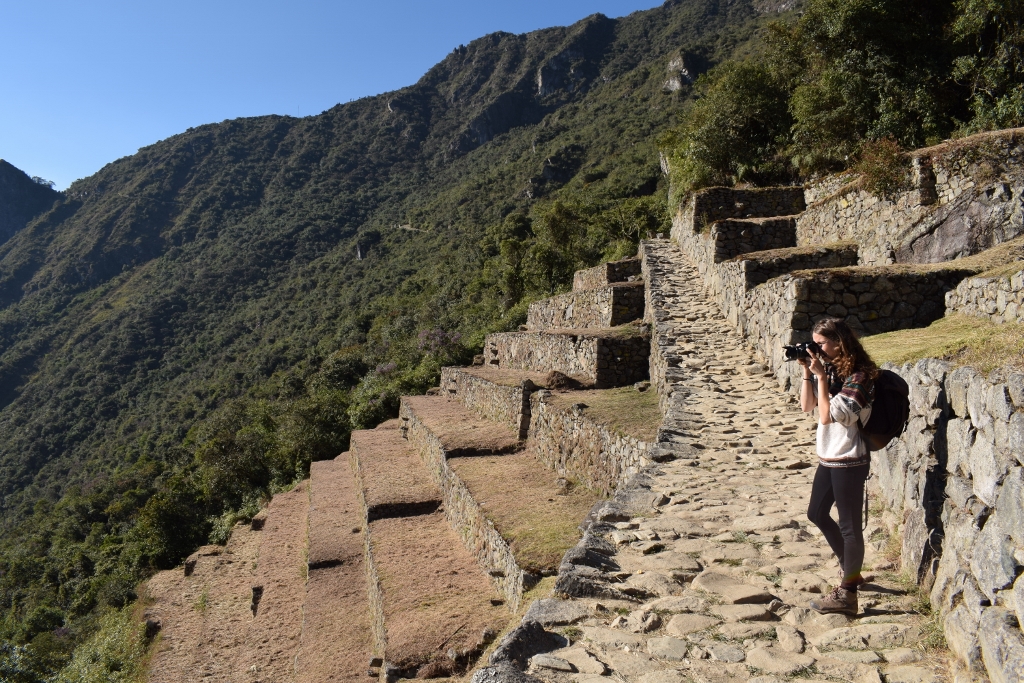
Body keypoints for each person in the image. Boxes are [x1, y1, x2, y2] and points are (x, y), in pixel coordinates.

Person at [798, 317, 879, 615]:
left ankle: (848, 594)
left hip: (849, 458)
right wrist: (809, 373)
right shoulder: (832, 370)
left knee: (849, 526)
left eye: (820, 343)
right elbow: (808, 407)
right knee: (816, 512)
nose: (816, 348)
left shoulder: (860, 376)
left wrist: (821, 379)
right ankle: (851, 572)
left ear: (839, 342)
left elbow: (827, 417)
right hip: (829, 455)